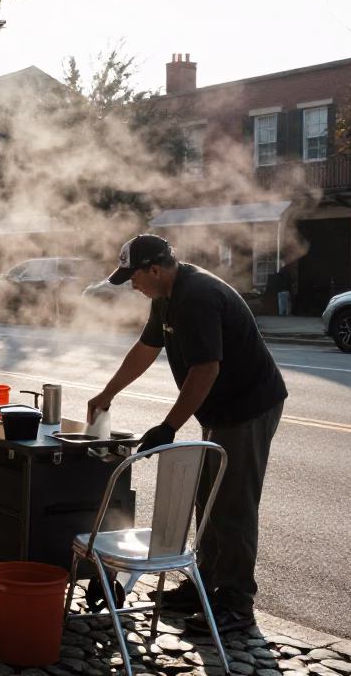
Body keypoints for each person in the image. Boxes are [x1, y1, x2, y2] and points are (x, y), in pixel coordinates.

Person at [86, 234, 286, 635]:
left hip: (248, 408)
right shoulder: (166, 297)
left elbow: (205, 370)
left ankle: (236, 605)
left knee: (233, 505)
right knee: (207, 500)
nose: (132, 286)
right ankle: (202, 588)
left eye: (133, 277)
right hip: (220, 408)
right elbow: (145, 348)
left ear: (154, 270)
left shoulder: (196, 296)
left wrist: (168, 427)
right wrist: (107, 394)